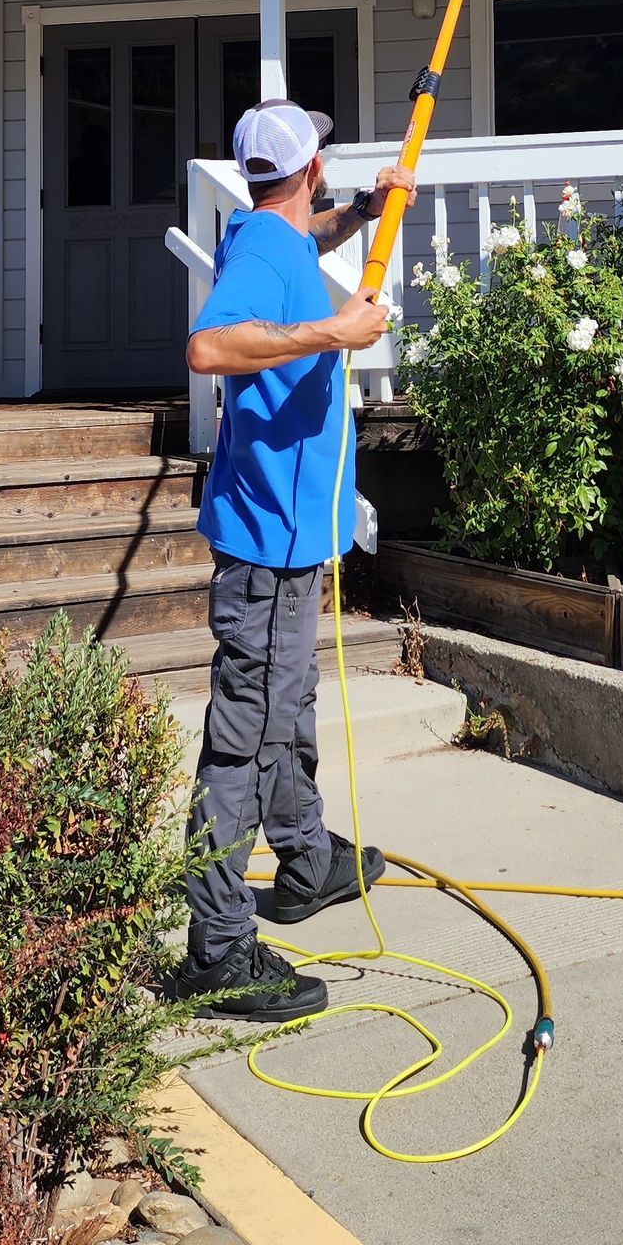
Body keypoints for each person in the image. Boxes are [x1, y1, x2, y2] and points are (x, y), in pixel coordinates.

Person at [169, 99, 413, 1020]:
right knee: (243, 736)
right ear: (303, 170)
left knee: (288, 705)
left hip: (291, 539)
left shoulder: (277, 237)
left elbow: (302, 248)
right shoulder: (265, 256)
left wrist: (367, 209)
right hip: (265, 549)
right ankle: (218, 947)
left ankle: (305, 861)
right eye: (326, 168)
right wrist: (333, 334)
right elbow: (209, 346)